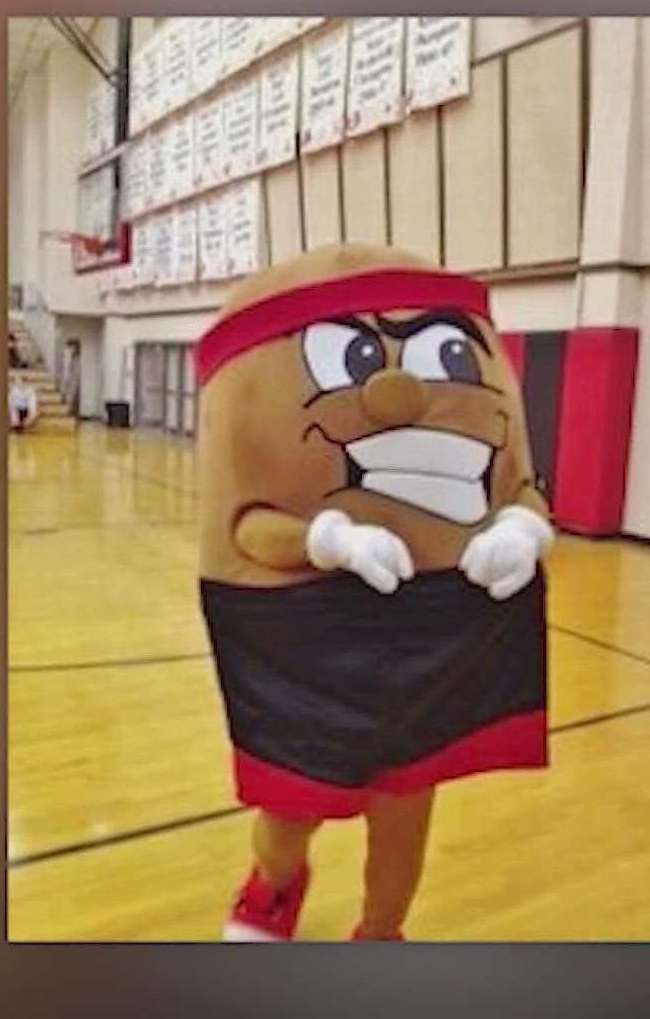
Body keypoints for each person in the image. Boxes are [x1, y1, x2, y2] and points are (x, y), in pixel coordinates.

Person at [194, 244, 554, 942]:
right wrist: (325, 539)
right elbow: (248, 526)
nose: (399, 393)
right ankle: (273, 887)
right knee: (292, 809)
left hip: (433, 646)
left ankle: (382, 932)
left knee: (406, 813)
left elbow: (521, 487)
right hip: (313, 652)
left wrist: (522, 527)